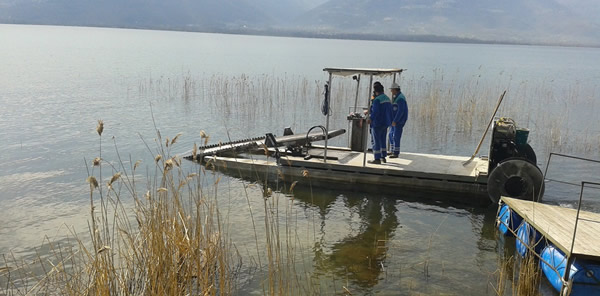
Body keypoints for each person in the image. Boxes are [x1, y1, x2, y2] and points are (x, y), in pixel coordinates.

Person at [368, 82, 392, 164]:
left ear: (375, 91)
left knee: (376, 141)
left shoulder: (377, 100)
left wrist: (370, 118)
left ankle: (377, 158)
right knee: (382, 140)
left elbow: (375, 112)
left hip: (377, 123)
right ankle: (383, 157)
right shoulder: (387, 98)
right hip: (385, 123)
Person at [388, 82, 408, 158]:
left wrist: (395, 120)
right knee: (390, 135)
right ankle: (392, 150)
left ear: (395, 90)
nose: (391, 91)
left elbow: (401, 111)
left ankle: (396, 152)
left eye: (392, 90)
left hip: (399, 121)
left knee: (396, 136)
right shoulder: (396, 97)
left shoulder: (400, 98)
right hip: (394, 121)